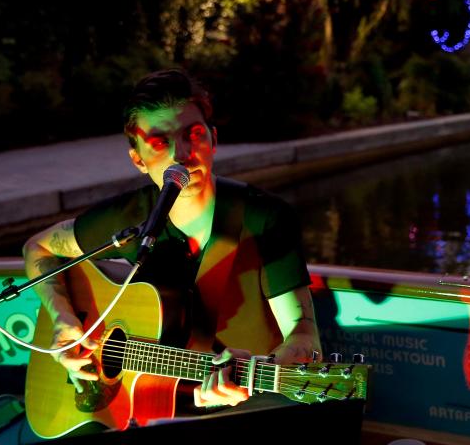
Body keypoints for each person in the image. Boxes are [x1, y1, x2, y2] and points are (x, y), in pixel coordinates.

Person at [23, 69, 320, 411]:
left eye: (192, 134)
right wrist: (64, 320)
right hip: (152, 405)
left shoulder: (263, 218)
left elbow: (302, 333)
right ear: (138, 159)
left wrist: (280, 366)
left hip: (243, 403)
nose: (180, 154)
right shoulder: (129, 220)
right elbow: (38, 248)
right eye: (159, 142)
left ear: (213, 140)